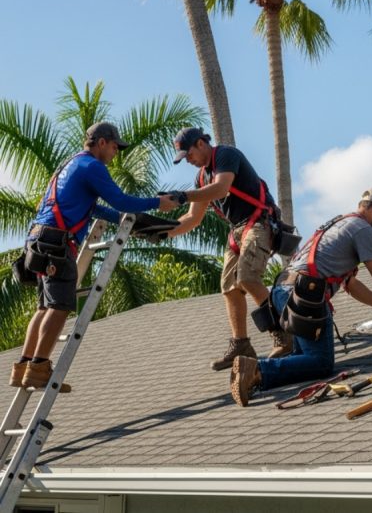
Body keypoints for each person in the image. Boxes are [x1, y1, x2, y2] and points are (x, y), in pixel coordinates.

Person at [13, 122, 181, 392]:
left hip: (39, 240)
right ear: (101, 142)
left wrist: (137, 224)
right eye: (115, 146)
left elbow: (95, 210)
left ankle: (23, 366)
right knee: (59, 307)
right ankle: (39, 367)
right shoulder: (92, 167)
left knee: (44, 307)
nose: (116, 152)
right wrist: (157, 202)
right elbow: (121, 200)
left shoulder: (69, 166)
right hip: (57, 244)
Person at [230, 187, 372, 407]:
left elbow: (352, 285)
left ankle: (255, 378)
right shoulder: (362, 229)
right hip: (306, 296)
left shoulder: (340, 224)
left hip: (283, 291)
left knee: (303, 358)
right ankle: (256, 368)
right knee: (320, 363)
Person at [167, 127, 291, 370]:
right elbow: (193, 218)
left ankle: (285, 334)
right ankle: (241, 344)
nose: (188, 161)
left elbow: (221, 188)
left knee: (247, 277)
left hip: (259, 223)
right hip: (238, 230)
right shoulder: (201, 177)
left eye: (189, 154)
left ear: (201, 144)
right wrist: (161, 232)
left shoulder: (225, 155)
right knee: (229, 287)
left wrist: (181, 196)